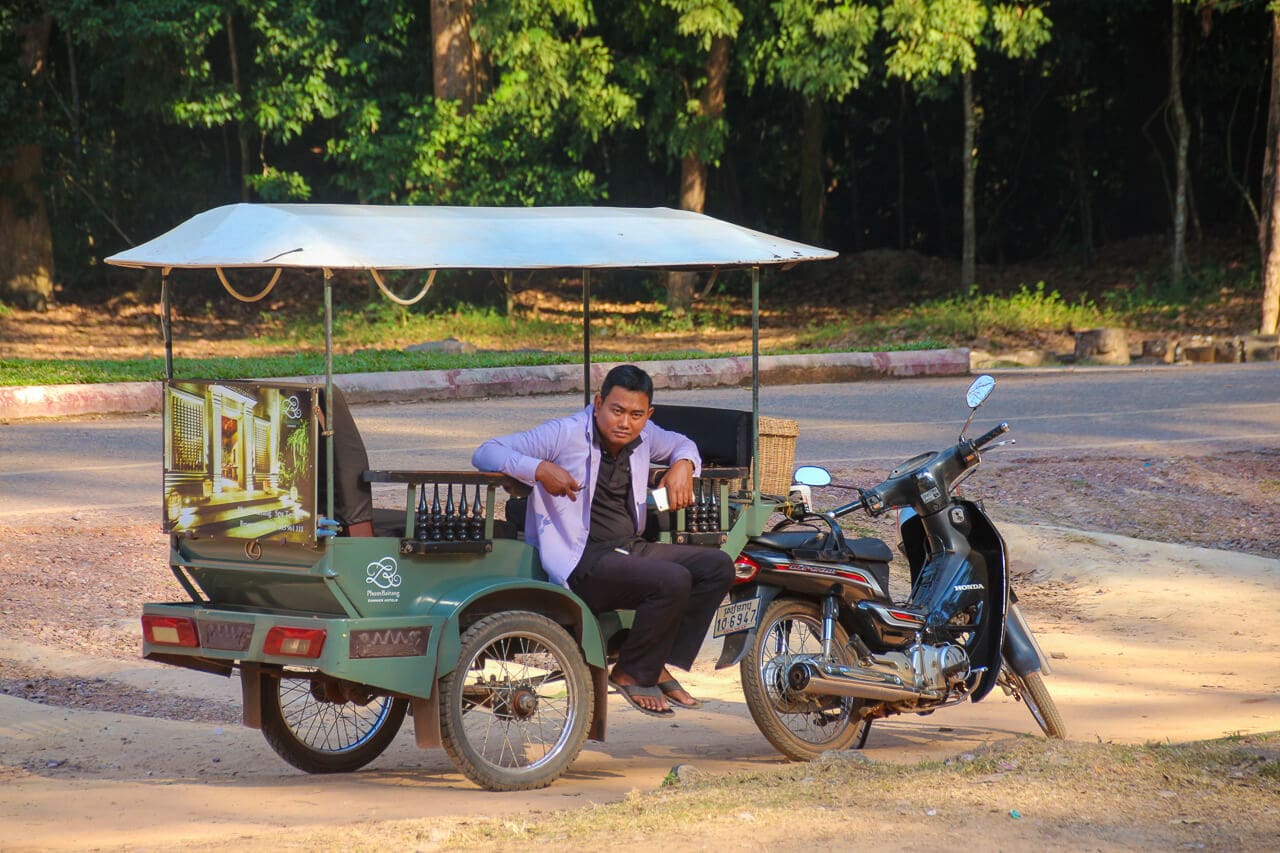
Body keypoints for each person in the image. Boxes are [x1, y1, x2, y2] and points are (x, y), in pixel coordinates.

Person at [472, 364, 735, 717]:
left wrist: (684, 464)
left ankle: (654, 661)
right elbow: (486, 452)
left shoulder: (644, 435)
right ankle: (629, 673)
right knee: (672, 580)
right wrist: (538, 469)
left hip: (629, 546)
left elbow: (683, 444)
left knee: (717, 566)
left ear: (648, 415)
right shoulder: (565, 433)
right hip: (581, 560)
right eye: (617, 410)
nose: (625, 422)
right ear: (598, 404)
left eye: (636, 414)